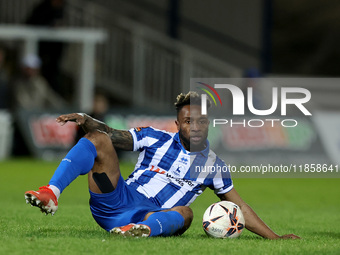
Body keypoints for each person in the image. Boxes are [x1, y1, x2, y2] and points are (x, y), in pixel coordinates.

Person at [24, 91, 300, 239]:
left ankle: (138, 232)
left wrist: (274, 238)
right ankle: (51, 192)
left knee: (187, 213)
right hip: (116, 199)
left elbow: (240, 208)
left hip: (151, 215)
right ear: (178, 124)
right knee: (97, 139)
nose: (196, 126)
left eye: (201, 121)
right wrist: (86, 118)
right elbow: (112, 135)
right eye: (189, 121)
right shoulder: (154, 137)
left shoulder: (214, 166)